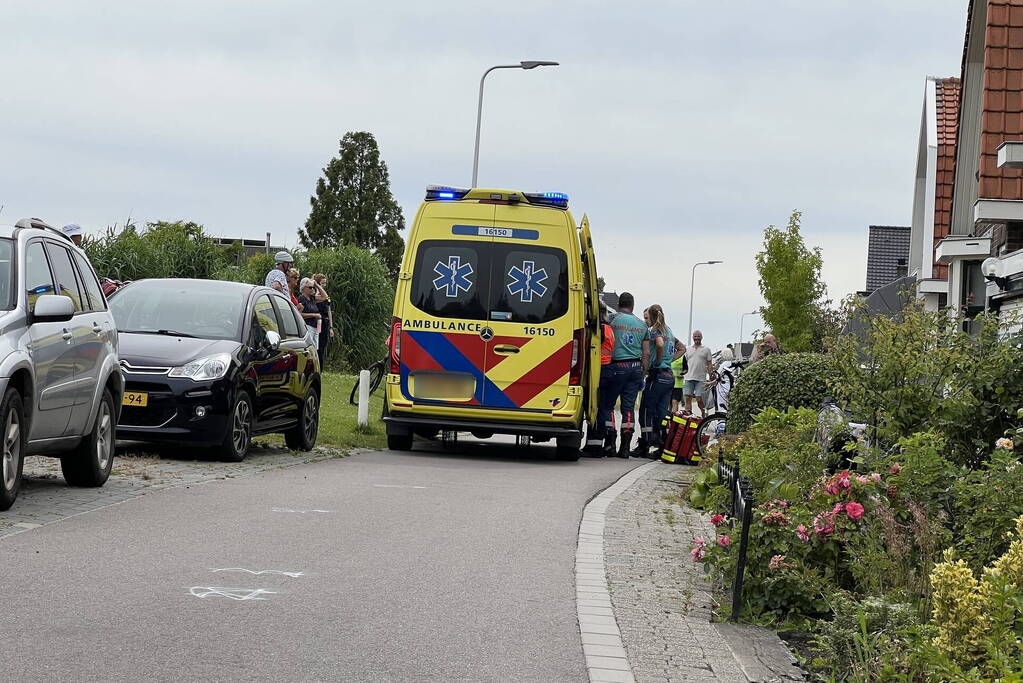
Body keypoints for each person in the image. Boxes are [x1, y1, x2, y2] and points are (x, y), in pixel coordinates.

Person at [597, 292, 648, 458]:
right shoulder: (642, 325)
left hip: (617, 366)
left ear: (619, 304)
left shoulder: (612, 319)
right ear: (633, 305)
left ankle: (610, 442)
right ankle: (625, 447)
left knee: (608, 405)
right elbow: (646, 353)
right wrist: (643, 373)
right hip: (635, 368)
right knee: (628, 408)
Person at [633, 304, 678, 458]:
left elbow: (659, 344)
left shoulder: (656, 331)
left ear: (652, 317)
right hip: (669, 377)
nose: (646, 321)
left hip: (657, 375)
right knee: (662, 414)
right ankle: (663, 445)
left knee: (646, 411)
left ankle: (645, 445)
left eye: (647, 318)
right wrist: (668, 360)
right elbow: (682, 348)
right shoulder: (670, 331)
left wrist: (659, 361)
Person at [583, 302, 616, 455]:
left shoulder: (600, 328)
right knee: (602, 407)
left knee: (596, 407)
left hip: (600, 370)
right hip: (608, 369)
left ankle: (595, 446)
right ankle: (596, 443)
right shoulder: (609, 327)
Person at [684, 329, 714, 415]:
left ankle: (703, 412)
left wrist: (711, 374)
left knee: (699, 398)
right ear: (693, 337)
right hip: (689, 377)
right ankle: (688, 416)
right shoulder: (688, 349)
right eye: (695, 336)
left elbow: (709, 363)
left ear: (701, 337)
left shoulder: (706, 349)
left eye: (698, 336)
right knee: (688, 398)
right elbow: (684, 363)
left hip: (700, 378)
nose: (697, 338)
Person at [312, 273, 333, 368]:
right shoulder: (314, 296)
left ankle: (321, 367)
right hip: (315, 323)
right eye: (322, 283)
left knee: (322, 346)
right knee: (316, 346)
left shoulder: (326, 297)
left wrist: (331, 327)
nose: (324, 285)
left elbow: (329, 311)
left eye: (325, 283)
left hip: (324, 323)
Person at [297, 277, 324, 345]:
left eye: (312, 287)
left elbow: (325, 297)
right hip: (308, 326)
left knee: (316, 348)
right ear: (304, 288)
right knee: (311, 347)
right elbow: (299, 315)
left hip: (317, 326)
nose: (312, 289)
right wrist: (314, 315)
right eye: (310, 287)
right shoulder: (301, 298)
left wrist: (317, 285)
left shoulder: (312, 298)